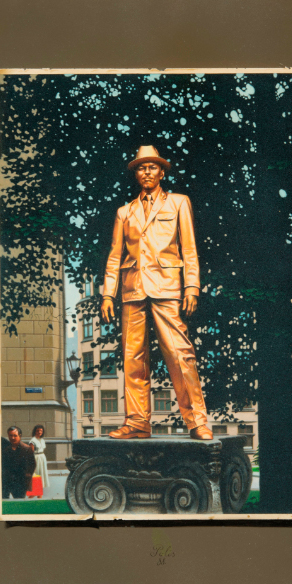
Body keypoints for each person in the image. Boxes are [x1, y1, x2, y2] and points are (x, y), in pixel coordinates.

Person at [101, 145, 213, 440]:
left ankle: (197, 420)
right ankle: (137, 422)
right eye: (141, 167)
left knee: (179, 353)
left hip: (167, 285)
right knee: (132, 358)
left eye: (152, 167)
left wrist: (192, 286)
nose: (147, 172)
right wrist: (107, 294)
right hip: (131, 288)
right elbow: (114, 255)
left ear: (162, 171)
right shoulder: (125, 212)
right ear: (135, 173)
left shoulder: (178, 202)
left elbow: (189, 249)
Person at [1, 426, 36, 499]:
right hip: (7, 481)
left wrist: (27, 475)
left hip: (20, 482)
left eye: (15, 435)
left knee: (19, 501)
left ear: (19, 436)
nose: (12, 438)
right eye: (10, 435)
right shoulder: (5, 450)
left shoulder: (27, 449)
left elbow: (32, 465)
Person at [29, 424, 50, 491]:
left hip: (42, 457)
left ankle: (40, 489)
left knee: (42, 473)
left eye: (41, 431)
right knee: (36, 473)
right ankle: (35, 490)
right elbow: (31, 453)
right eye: (38, 431)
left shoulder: (42, 440)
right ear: (35, 431)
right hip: (36, 458)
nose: (39, 432)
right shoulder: (32, 441)